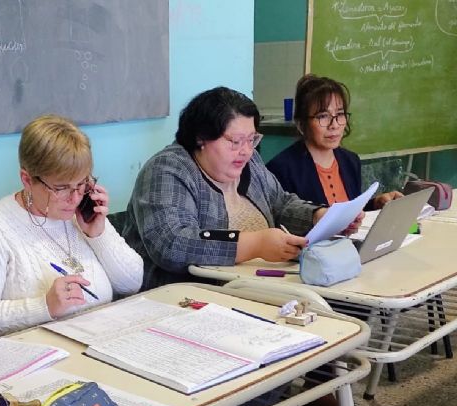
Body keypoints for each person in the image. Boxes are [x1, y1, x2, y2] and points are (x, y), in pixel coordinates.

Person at [121, 86, 357, 292]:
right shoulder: (167, 170)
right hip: (187, 301)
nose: (246, 151)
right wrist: (255, 244)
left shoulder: (249, 162)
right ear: (201, 138)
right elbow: (173, 243)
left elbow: (280, 203)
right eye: (235, 142)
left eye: (252, 139)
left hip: (260, 287)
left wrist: (318, 216)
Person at [0, 114, 143, 338]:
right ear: (27, 179)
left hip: (96, 343)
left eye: (82, 183)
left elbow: (132, 283)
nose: (74, 198)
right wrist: (44, 307)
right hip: (31, 358)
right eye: (61, 188)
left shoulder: (83, 212)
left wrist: (98, 234)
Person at [267, 74, 403, 209]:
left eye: (339, 114)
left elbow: (349, 212)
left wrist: (376, 203)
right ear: (302, 124)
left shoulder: (350, 161)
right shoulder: (281, 169)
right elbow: (284, 220)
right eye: (323, 116)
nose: (334, 125)